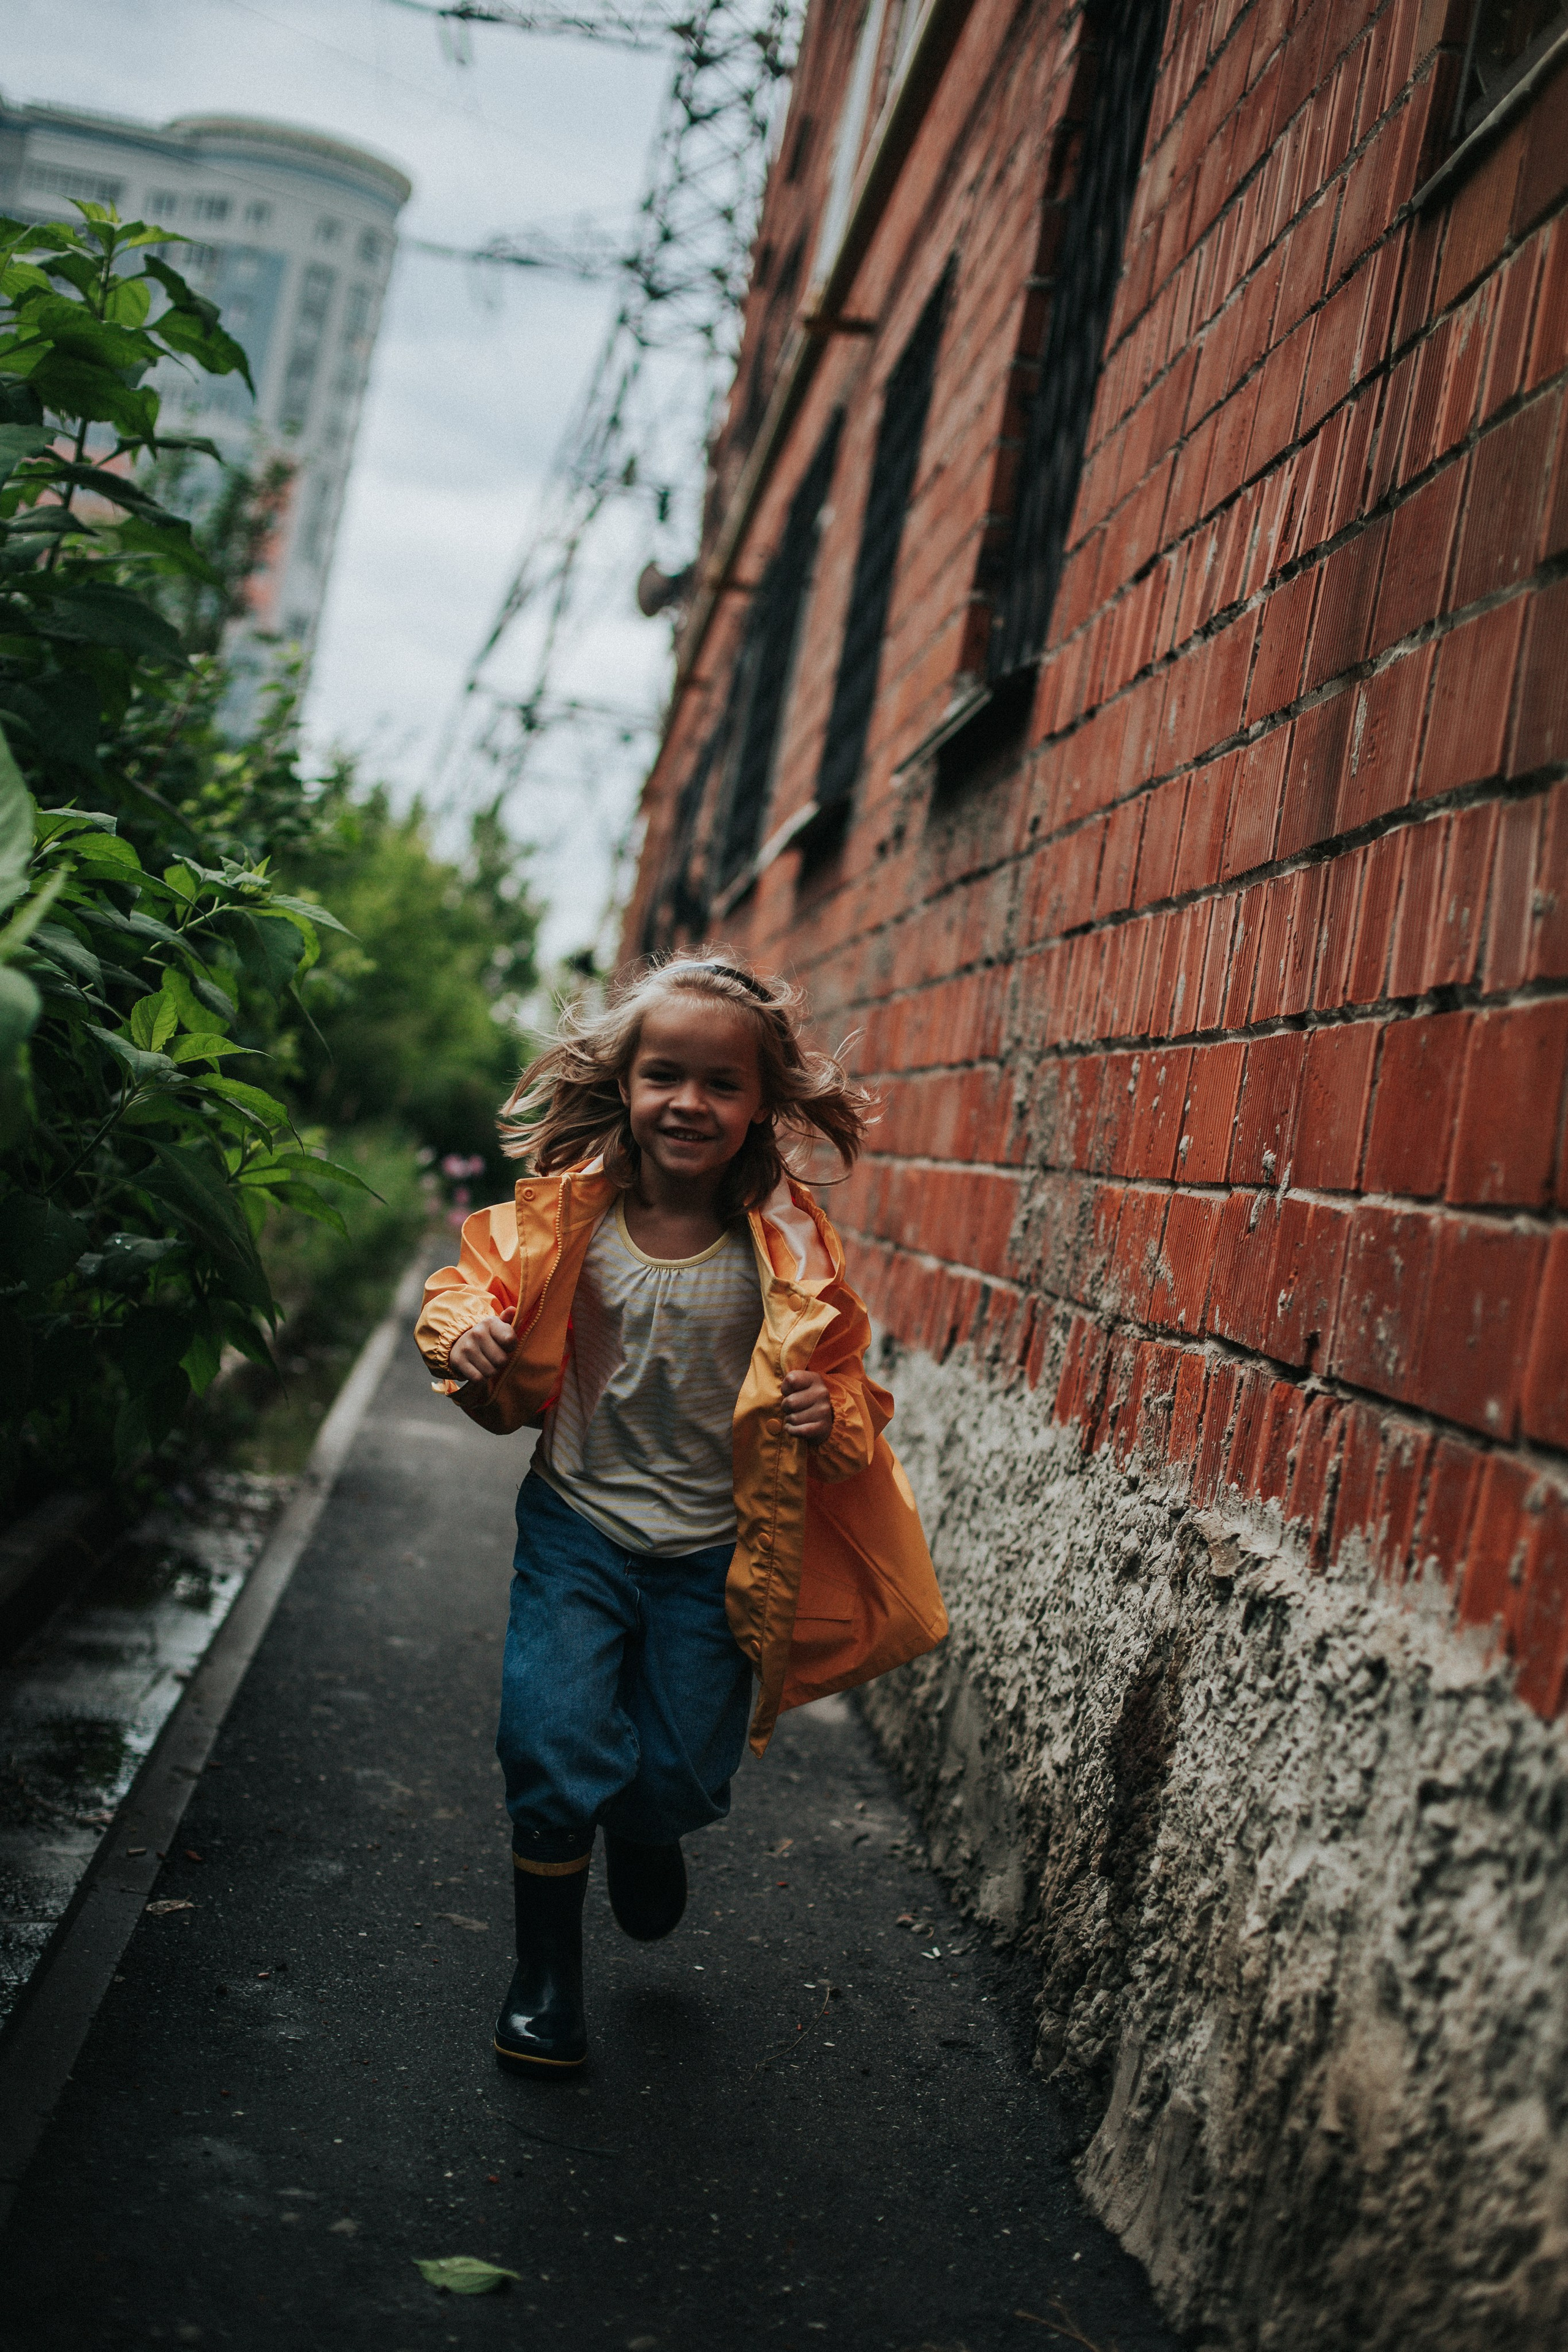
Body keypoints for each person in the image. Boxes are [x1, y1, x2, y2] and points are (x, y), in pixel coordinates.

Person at [414, 951, 946, 2074]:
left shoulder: (784, 1245)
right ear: (624, 1083)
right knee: (549, 1737)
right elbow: (474, 1284)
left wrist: (825, 1408)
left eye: (722, 1084)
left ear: (760, 1105)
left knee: (682, 1777)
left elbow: (851, 1380)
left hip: (716, 1551)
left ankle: (648, 1828)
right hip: (579, 1524)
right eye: (666, 1075)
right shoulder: (572, 1215)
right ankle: (547, 1980)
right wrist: (464, 1336)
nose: (690, 1104)